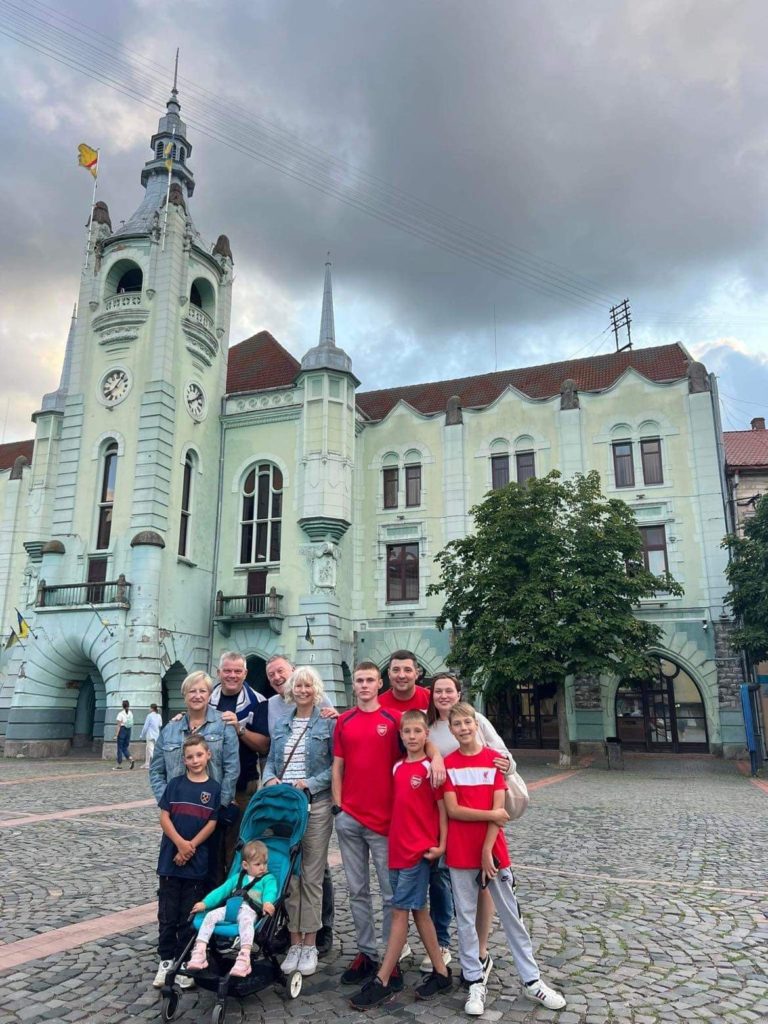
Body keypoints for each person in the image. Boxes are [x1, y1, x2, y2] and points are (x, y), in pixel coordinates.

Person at [443, 702, 566, 1015]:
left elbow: (501, 813)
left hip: (493, 850)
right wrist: (488, 817)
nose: (463, 729)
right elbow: (456, 810)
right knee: (466, 919)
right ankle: (474, 981)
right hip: (459, 850)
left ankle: (532, 980)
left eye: (467, 723)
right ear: (451, 729)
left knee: (512, 917)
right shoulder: (449, 764)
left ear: (476, 725)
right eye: (457, 724)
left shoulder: (492, 762)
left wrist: (486, 850)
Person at [332, 661, 446, 988]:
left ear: (378, 683)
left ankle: (389, 957)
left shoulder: (393, 720)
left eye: (370, 680)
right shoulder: (344, 720)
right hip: (350, 818)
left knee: (389, 894)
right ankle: (366, 952)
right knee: (356, 891)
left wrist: (436, 757)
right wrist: (339, 807)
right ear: (353, 685)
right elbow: (337, 766)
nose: (365, 685)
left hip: (385, 824)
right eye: (359, 680)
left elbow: (421, 739)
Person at [349, 710, 451, 1009]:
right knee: (419, 910)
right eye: (407, 732)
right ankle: (442, 973)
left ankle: (381, 980)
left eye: (418, 731)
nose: (412, 737)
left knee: (398, 912)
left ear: (425, 735)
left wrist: (442, 844)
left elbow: (443, 809)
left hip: (417, 852)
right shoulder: (397, 768)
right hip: (397, 849)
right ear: (401, 735)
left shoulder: (431, 769)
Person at [425, 673, 515, 975]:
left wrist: (507, 765)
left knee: (482, 884)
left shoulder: (473, 718)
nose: (444, 696)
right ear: (432, 695)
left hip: (478, 811)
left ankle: (480, 946)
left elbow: (502, 755)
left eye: (449, 690)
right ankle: (447, 943)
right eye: (438, 691)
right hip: (442, 811)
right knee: (445, 880)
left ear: (458, 693)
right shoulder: (431, 727)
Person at [263, 666, 335, 978]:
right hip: (285, 809)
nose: (303, 690)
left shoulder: (328, 722)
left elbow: (336, 767)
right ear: (291, 690)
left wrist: (310, 783)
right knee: (290, 876)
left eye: (308, 685)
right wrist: (269, 779)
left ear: (315, 689)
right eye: (298, 685)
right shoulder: (282, 723)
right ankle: (294, 941)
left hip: (315, 806)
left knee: (312, 876)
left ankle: (311, 942)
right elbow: (270, 760)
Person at [154, 735, 221, 989]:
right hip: (170, 861)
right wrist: (180, 844)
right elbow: (164, 817)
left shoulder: (213, 789)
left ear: (208, 756)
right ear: (184, 760)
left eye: (199, 755)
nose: (195, 760)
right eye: (190, 757)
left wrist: (190, 847)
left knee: (188, 916)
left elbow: (212, 823)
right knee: (168, 914)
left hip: (195, 864)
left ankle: (183, 962)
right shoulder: (175, 785)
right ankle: (166, 960)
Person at [149, 671, 239, 825]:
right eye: (192, 691)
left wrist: (221, 804)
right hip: (177, 810)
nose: (197, 696)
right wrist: (166, 800)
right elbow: (156, 770)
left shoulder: (223, 725)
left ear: (209, 695)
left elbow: (232, 768)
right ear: (184, 695)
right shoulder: (169, 730)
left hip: (211, 809)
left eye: (202, 691)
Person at [209, 652, 270, 873]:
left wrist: (239, 729)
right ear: (219, 672)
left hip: (244, 785)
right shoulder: (206, 697)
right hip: (210, 785)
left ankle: (236, 894)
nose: (232, 675)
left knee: (238, 845)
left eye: (237, 671)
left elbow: (263, 746)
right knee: (211, 846)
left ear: (245, 673)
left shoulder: (258, 701)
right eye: (227, 670)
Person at [188, 839, 278, 979]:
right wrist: (205, 903)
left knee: (246, 922)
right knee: (210, 916)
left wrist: (267, 902)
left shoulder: (268, 879)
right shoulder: (238, 878)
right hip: (231, 909)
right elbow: (221, 891)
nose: (263, 868)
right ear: (245, 865)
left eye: (265, 864)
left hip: (250, 911)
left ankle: (244, 957)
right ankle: (200, 951)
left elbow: (270, 892)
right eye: (258, 864)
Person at [113, 699, 135, 770]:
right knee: (125, 747)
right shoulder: (130, 713)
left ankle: (119, 765)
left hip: (122, 730)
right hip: (128, 730)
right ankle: (130, 759)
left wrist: (116, 735)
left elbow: (118, 725)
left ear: (122, 706)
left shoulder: (120, 714)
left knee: (119, 748)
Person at [140, 703, 162, 767]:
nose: (149, 709)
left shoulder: (149, 716)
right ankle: (147, 763)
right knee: (148, 749)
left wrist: (142, 735)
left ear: (152, 709)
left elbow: (145, 726)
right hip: (156, 734)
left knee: (151, 749)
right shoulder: (159, 716)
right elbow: (160, 724)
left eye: (150, 708)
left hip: (150, 734)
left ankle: (156, 763)